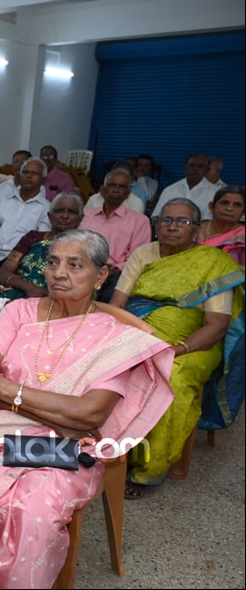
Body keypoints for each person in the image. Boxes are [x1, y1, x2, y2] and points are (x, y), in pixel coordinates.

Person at [0, 229, 175, 588]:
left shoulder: (114, 337)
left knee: (28, 510)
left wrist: (11, 391)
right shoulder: (18, 311)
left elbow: (91, 414)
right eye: (53, 263)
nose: (59, 273)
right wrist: (60, 416)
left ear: (101, 276)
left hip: (63, 450)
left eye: (75, 265)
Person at [110, 198, 244, 497]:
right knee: (102, 364)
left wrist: (175, 350)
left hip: (193, 344)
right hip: (139, 333)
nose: (172, 227)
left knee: (173, 377)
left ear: (197, 230)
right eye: (166, 220)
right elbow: (117, 306)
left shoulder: (213, 263)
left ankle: (148, 466)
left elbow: (216, 326)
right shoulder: (144, 253)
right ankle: (104, 450)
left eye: (182, 221)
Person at [0, 192, 84, 346]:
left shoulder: (85, 247)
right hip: (14, 293)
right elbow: (3, 273)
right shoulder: (33, 238)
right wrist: (29, 288)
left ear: (81, 218)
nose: (65, 216)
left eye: (71, 212)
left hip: (54, 302)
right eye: (59, 211)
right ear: (49, 216)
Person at [80, 167, 152, 301]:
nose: (116, 190)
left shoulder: (140, 221)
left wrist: (111, 270)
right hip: (82, 269)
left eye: (122, 187)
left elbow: (137, 257)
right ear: (103, 190)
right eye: (112, 185)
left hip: (115, 275)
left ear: (128, 193)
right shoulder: (87, 215)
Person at [0, 157, 51, 270]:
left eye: (34, 173)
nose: (28, 176)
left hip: (21, 262)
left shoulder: (46, 208)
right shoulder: (4, 199)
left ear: (44, 180)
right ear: (19, 176)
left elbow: (40, 242)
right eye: (25, 172)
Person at [153, 153, 214, 220]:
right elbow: (156, 217)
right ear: (185, 168)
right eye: (192, 165)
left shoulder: (214, 192)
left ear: (207, 170)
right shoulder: (170, 190)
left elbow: (210, 221)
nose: (195, 169)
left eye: (200, 166)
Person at [197, 185, 244, 267]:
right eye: (225, 203)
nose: (229, 208)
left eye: (237, 205)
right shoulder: (194, 228)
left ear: (243, 213)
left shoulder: (242, 237)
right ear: (211, 206)